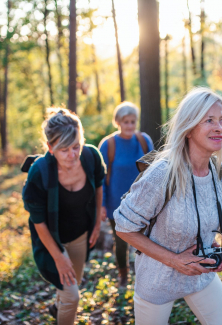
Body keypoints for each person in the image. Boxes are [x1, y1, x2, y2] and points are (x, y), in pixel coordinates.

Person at [113, 88, 222, 325]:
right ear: (189, 128)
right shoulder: (162, 174)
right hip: (157, 282)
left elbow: (203, 218)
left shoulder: (216, 170)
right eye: (208, 120)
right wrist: (174, 260)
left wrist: (214, 248)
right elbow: (123, 227)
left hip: (200, 275)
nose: (219, 127)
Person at [22, 108, 106, 324]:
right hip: (51, 239)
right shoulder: (39, 172)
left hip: (80, 234)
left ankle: (57, 308)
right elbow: (38, 221)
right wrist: (59, 257)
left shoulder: (91, 157)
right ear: (50, 148)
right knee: (72, 296)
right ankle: (63, 311)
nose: (72, 155)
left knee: (72, 282)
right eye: (64, 150)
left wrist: (96, 223)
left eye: (76, 146)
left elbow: (98, 188)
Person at [98, 102, 154, 287]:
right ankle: (123, 275)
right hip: (117, 204)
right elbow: (101, 178)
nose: (130, 126)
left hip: (143, 202)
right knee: (121, 242)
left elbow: (155, 172)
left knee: (145, 242)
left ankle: (144, 277)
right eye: (126, 122)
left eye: (132, 121)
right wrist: (102, 205)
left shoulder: (144, 141)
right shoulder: (108, 145)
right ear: (118, 122)